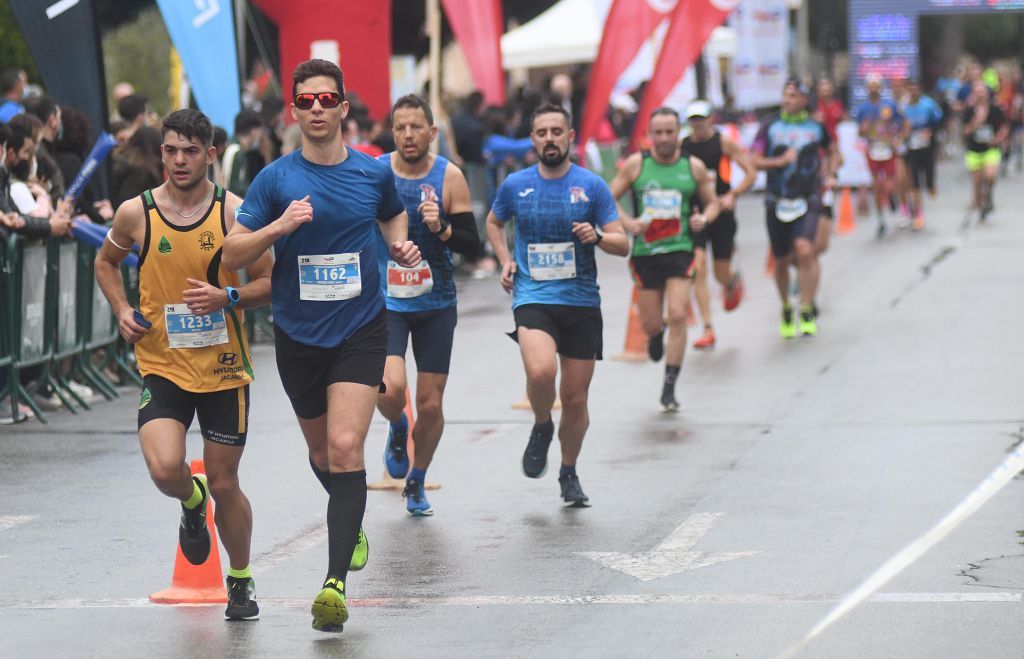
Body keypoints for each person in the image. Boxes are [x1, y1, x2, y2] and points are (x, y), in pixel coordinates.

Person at [222, 59, 420, 633]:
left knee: (343, 446)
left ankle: (333, 586)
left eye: (325, 100)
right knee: (320, 456)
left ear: (342, 108)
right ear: (293, 109)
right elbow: (232, 256)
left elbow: (394, 216)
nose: (315, 109)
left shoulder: (371, 174)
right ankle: (348, 514)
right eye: (304, 101)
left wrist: (401, 248)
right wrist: (278, 229)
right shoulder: (275, 180)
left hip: (360, 329)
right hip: (298, 334)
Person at [94, 109, 272, 621]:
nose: (177, 160)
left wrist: (228, 296)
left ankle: (239, 579)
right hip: (163, 365)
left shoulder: (235, 213)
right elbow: (105, 262)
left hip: (223, 370)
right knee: (165, 467)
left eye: (189, 151)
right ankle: (190, 503)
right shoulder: (137, 213)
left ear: (210, 154)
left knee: (225, 483)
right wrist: (122, 309)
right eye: (170, 150)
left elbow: (268, 282)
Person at [486, 103, 628, 506]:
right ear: (533, 140)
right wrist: (505, 259)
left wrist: (597, 236)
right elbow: (494, 223)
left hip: (582, 301)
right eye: (541, 132)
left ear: (569, 137)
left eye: (556, 131)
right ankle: (542, 423)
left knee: (577, 399)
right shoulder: (515, 184)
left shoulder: (592, 186)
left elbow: (623, 243)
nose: (549, 138)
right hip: (534, 296)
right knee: (541, 368)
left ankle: (568, 471)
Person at [374, 94, 480, 516]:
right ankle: (398, 426)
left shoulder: (449, 176)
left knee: (432, 404)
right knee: (390, 387)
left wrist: (442, 227)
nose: (407, 135)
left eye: (416, 127)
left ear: (432, 132)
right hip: (388, 302)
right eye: (400, 127)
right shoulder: (377, 173)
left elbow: (472, 247)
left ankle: (416, 480)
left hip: (436, 302)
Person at [608, 107, 719, 411]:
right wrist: (627, 222)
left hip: (681, 249)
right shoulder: (636, 165)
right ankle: (656, 337)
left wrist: (704, 220)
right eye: (658, 132)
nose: (665, 138)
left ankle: (669, 386)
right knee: (651, 323)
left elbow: (713, 203)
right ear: (650, 134)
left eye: (670, 131)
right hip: (645, 253)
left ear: (678, 132)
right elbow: (608, 197)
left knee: (680, 313)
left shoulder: (692, 167)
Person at [751, 79, 840, 338]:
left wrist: (831, 171)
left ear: (804, 100)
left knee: (805, 249)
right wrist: (779, 161)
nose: (787, 100)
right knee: (781, 261)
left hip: (808, 198)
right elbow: (753, 161)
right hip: (777, 199)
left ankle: (807, 306)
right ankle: (786, 307)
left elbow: (834, 152)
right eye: (785, 95)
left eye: (793, 96)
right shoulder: (769, 126)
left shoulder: (816, 126)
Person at [681, 100, 755, 350]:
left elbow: (750, 173)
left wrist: (732, 195)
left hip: (721, 213)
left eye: (701, 118)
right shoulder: (684, 147)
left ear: (711, 118)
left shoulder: (724, 143)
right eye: (693, 120)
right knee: (698, 268)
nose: (697, 124)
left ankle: (732, 280)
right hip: (696, 215)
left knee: (719, 273)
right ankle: (708, 328)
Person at [854, 75, 907, 236]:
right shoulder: (863, 108)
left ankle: (892, 198)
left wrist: (898, 138)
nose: (874, 88)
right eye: (871, 85)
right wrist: (864, 129)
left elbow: (902, 122)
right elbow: (859, 132)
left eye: (876, 85)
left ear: (881, 87)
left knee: (890, 184)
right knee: (877, 187)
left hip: (888, 150)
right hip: (873, 151)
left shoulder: (889, 105)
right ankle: (881, 220)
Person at [962, 81, 1008, 220]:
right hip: (974, 150)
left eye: (982, 92)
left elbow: (1004, 126)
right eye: (977, 92)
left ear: (988, 94)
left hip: (990, 149)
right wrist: (977, 122)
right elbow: (964, 132)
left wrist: (999, 138)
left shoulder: (995, 109)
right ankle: (982, 205)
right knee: (976, 182)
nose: (980, 95)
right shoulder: (969, 111)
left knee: (990, 175)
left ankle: (988, 195)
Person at [902, 81, 943, 230]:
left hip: (927, 147)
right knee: (914, 181)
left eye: (915, 88)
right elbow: (899, 126)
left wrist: (931, 131)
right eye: (910, 89)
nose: (913, 92)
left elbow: (938, 121)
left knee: (928, 179)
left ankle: (931, 185)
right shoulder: (904, 107)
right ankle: (919, 216)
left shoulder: (928, 105)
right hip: (911, 148)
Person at [812, 78, 846, 253]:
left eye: (827, 89)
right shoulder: (814, 107)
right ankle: (820, 216)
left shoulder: (836, 105)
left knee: (831, 182)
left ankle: (827, 215)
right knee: (820, 184)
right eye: (821, 89)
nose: (824, 92)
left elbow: (840, 120)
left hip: (831, 148)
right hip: (818, 151)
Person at [222, 109, 266, 198]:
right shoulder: (236, 152)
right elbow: (236, 187)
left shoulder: (234, 148)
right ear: (254, 131)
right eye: (260, 130)